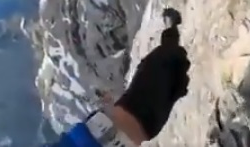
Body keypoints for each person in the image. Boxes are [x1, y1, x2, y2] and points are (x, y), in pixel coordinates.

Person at [43, 8, 190, 147]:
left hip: (126, 122)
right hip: (126, 123)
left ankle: (172, 42)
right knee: (165, 66)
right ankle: (172, 41)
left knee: (163, 71)